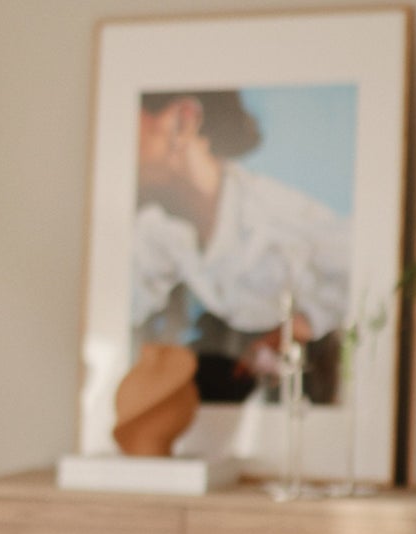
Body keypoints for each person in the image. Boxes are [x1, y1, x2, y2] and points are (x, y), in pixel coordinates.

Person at [132, 89, 351, 404]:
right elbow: (130, 301)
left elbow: (363, 276)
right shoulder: (157, 227)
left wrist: (298, 327)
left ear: (183, 121)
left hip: (310, 380)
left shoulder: (281, 216)